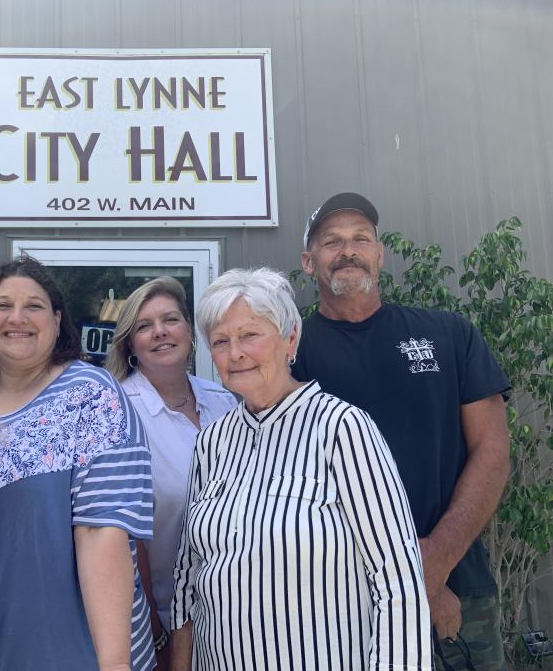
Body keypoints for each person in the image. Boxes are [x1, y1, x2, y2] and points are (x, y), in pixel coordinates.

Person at [170, 267, 431, 670]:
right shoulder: (212, 443)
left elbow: (397, 580)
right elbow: (189, 577)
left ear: (290, 339)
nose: (235, 352)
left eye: (250, 335)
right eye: (220, 341)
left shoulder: (343, 429)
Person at [293, 192, 511, 669]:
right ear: (309, 262)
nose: (347, 250)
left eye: (360, 239)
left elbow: (492, 450)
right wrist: (406, 580)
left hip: (459, 587)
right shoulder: (289, 353)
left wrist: (436, 561)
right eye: (331, 241)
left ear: (379, 253)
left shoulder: (449, 334)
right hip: (339, 600)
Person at [0, 255, 156, 671]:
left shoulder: (89, 392)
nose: (17, 317)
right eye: (2, 305)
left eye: (33, 306)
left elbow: (102, 531)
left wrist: (115, 664)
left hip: (82, 650)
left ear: (56, 321)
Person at [105, 277, 235, 668]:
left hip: (235, 615)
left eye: (171, 319)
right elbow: (121, 537)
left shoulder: (225, 401)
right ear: (131, 343)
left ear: (189, 330)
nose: (160, 332)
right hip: (160, 621)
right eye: (144, 326)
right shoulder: (116, 411)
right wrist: (154, 634)